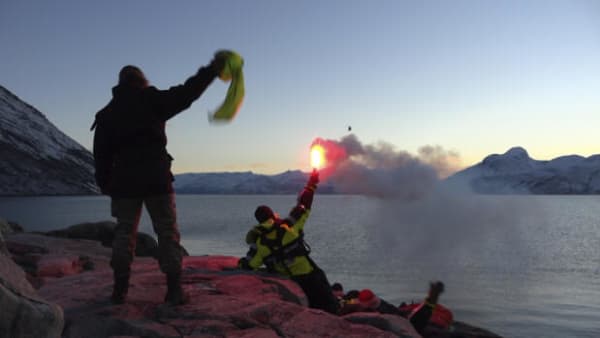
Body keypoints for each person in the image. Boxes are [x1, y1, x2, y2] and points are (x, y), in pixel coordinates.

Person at [92, 53, 227, 305]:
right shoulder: (151, 100)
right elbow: (187, 93)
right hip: (156, 179)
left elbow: (101, 155)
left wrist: (106, 184)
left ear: (120, 84)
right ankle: (174, 290)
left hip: (124, 183)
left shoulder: (107, 114)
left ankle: (120, 290)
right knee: (167, 233)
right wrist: (211, 71)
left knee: (123, 234)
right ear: (141, 81)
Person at [238, 170, 339, 314]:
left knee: (309, 312)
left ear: (259, 221)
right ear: (272, 215)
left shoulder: (260, 243)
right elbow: (304, 206)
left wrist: (240, 264)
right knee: (329, 308)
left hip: (291, 283)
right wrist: (311, 184)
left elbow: (250, 264)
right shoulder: (289, 227)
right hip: (310, 277)